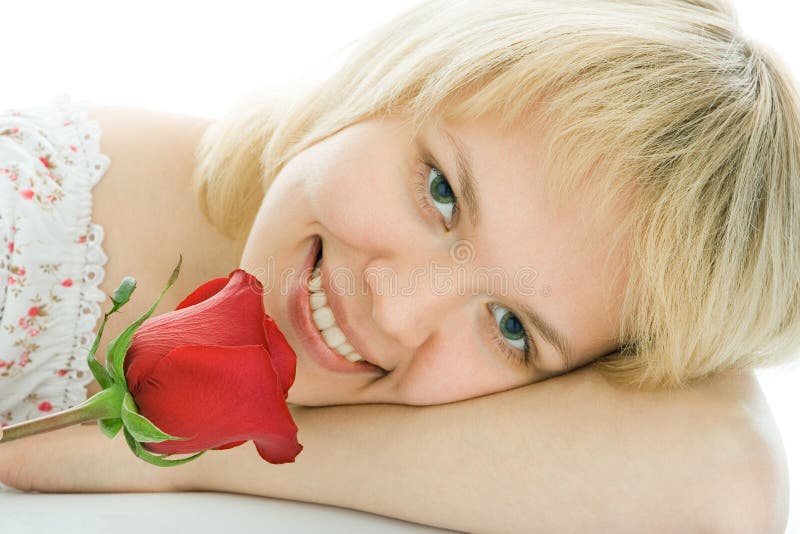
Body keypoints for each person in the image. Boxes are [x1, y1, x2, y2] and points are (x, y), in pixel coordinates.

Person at [0, 0, 796, 531]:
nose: (397, 310)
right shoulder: (28, 221)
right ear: (391, 81)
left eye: (511, 326)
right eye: (442, 192)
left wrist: (213, 452)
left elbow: (724, 478)